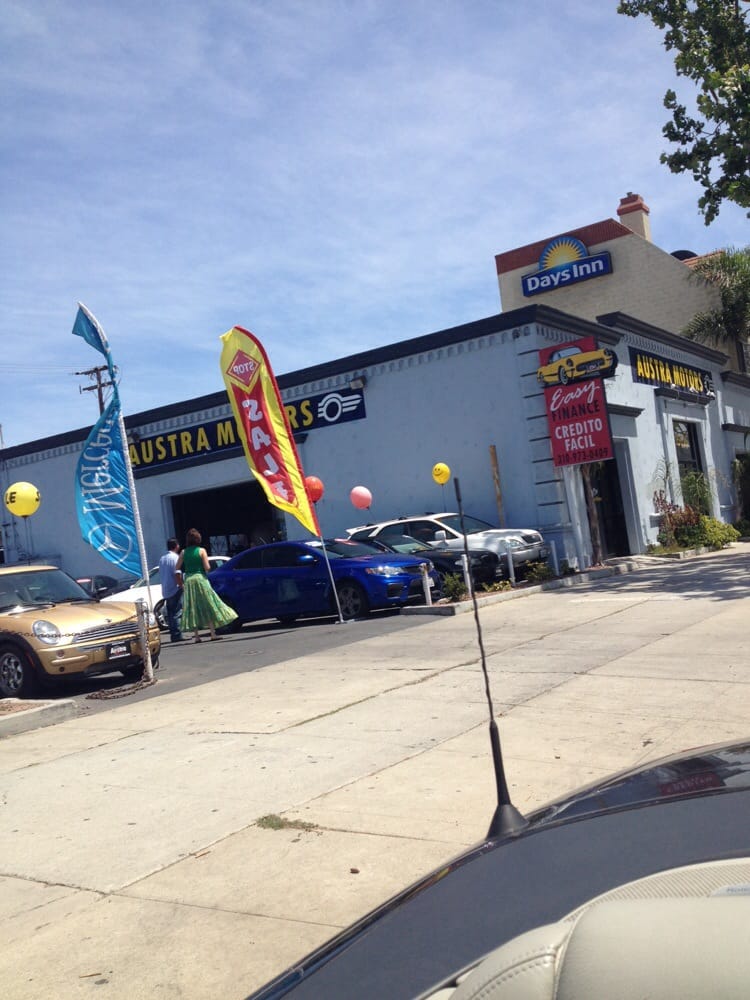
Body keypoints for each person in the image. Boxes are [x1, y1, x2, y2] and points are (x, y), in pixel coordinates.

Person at [176, 528, 238, 642]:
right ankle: (213, 633)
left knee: (192, 607)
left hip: (189, 580)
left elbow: (177, 567)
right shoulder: (201, 551)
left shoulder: (183, 552)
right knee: (208, 604)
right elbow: (207, 567)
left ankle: (196, 636)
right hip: (201, 579)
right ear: (198, 539)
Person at [158, 537, 184, 643]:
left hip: (166, 588)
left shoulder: (162, 559)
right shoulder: (175, 558)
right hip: (174, 587)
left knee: (170, 613)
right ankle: (177, 634)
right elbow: (177, 573)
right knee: (177, 612)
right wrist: (181, 585)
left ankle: (173, 634)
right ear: (176, 546)